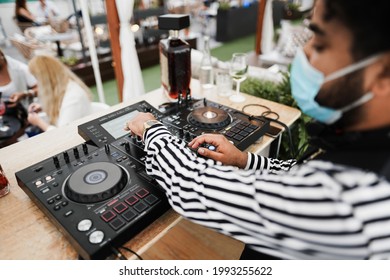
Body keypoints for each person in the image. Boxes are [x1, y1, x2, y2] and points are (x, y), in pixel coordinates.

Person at [125, 0, 390, 260]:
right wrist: (245, 159)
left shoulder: (354, 205)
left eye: (320, 43)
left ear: (383, 76)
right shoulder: (368, 149)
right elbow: (297, 177)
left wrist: (150, 127)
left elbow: (193, 185)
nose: (305, 53)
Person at [27, 55, 92, 132]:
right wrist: (43, 108)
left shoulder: (73, 97)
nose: (37, 82)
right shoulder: (66, 88)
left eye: (37, 78)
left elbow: (63, 133)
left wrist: (39, 122)